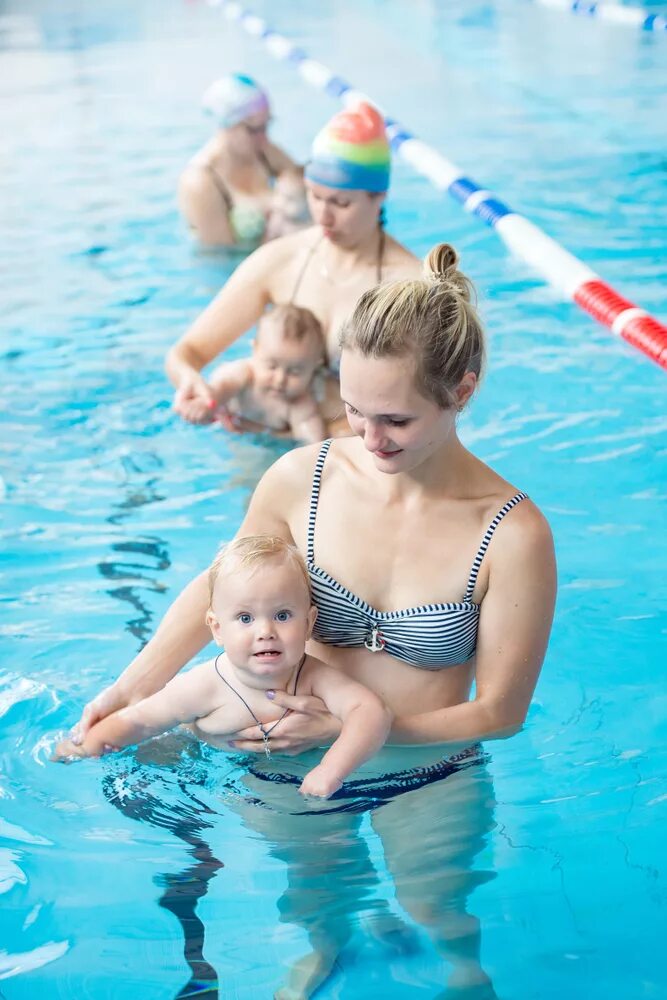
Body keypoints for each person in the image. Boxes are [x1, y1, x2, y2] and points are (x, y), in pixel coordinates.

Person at [74, 243, 556, 998]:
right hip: (282, 758)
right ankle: (327, 948)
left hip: (424, 775)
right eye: (355, 410)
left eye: (395, 419)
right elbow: (219, 589)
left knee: (443, 925)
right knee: (313, 901)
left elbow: (500, 711)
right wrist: (127, 691)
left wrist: (350, 731)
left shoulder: (510, 531)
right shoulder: (306, 475)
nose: (368, 439)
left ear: (461, 391)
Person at [56, 536, 391, 797]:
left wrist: (331, 770)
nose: (266, 631)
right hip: (195, 760)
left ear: (308, 623)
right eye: (245, 618)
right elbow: (139, 720)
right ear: (217, 628)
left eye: (283, 615)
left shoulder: (316, 678)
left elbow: (370, 711)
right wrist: (82, 747)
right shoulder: (204, 686)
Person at [167, 100, 421, 434]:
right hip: (264, 438)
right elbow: (187, 353)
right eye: (315, 197)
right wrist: (192, 385)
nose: (323, 216)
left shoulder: (411, 285)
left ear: (379, 196)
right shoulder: (280, 260)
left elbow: (424, 407)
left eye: (341, 203)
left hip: (355, 455)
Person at [178, 73, 301, 248]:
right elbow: (219, 257)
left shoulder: (264, 152)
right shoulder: (200, 182)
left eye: (267, 125)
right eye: (254, 129)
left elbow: (308, 189)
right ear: (227, 124)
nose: (264, 138)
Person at [206, 304, 326, 442]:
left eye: (295, 372)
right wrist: (207, 405)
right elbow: (220, 388)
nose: (280, 379)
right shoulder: (243, 375)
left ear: (315, 367)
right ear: (255, 350)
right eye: (272, 366)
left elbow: (313, 446)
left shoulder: (299, 405)